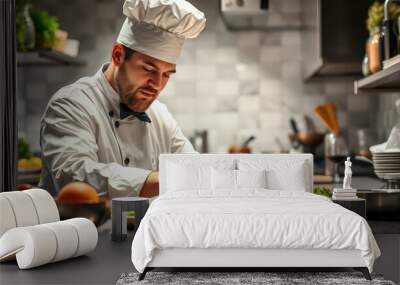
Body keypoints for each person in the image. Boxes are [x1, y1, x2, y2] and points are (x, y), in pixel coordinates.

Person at [39, 0, 206, 198]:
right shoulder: (70, 104)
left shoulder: (159, 115)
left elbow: (192, 166)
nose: (157, 84)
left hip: (144, 230)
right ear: (118, 55)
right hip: (86, 229)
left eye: (167, 74)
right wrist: (167, 180)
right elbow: (76, 178)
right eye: (148, 69)